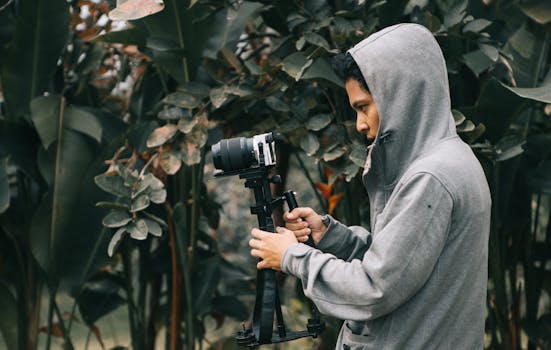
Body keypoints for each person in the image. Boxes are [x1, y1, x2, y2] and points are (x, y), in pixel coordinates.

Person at [248, 23, 491, 349]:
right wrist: (329, 237)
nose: (361, 123)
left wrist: (292, 256)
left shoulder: (430, 177)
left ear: (400, 95)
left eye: (364, 107)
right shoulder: (453, 159)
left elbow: (374, 288)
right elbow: (402, 264)